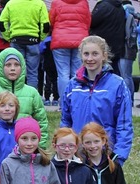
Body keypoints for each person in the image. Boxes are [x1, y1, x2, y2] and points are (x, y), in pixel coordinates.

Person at [60, 36, 134, 165]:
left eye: (95, 54)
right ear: (81, 56)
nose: (90, 58)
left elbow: (124, 125)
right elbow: (66, 121)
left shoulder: (117, 85)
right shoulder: (72, 86)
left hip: (105, 153)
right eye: (86, 54)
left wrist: (119, 156)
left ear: (104, 56)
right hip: (78, 153)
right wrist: (65, 147)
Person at [0, 48, 50, 148]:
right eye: (8, 65)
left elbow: (42, 122)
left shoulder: (32, 93)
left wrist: (38, 147)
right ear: (1, 67)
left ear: (22, 67)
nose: (12, 68)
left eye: (16, 64)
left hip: (26, 148)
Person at [0, 0, 50, 88]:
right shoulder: (39, 3)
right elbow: (45, 25)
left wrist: (8, 37)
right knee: (32, 73)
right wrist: (40, 38)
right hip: (33, 41)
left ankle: (15, 96)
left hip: (16, 40)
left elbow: (2, 23)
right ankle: (31, 97)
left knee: (14, 71)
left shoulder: (11, 3)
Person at [48, 0, 90, 105]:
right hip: (80, 40)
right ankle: (77, 102)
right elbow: (88, 21)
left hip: (60, 39)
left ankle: (64, 104)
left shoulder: (56, 2)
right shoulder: (84, 2)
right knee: (77, 72)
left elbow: (51, 21)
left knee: (63, 73)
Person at [89, 0, 125, 76]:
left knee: (100, 71)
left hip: (102, 45)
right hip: (117, 45)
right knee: (114, 70)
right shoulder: (121, 8)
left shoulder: (103, 6)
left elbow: (91, 21)